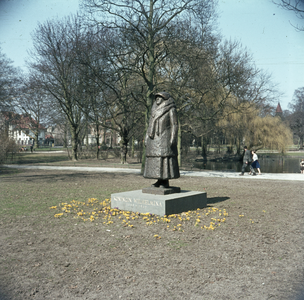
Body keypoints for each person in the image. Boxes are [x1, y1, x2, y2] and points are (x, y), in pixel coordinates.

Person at [143, 92, 180, 188]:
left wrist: (173, 138)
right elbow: (150, 125)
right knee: (156, 160)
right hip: (154, 138)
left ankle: (165, 181)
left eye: (160, 97)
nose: (157, 99)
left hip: (165, 137)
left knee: (165, 160)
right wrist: (147, 137)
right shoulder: (153, 110)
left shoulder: (171, 109)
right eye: (156, 97)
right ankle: (159, 180)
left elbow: (174, 124)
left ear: (164, 99)